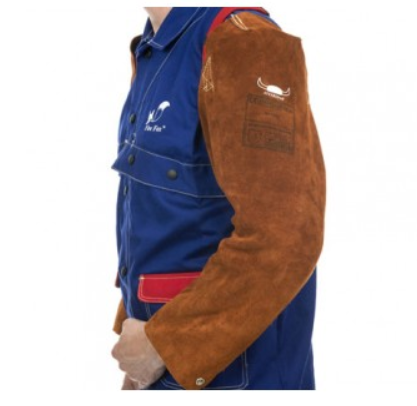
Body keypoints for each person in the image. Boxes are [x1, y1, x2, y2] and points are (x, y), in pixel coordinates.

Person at [110, 6, 326, 390]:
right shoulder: (155, 50)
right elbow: (172, 213)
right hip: (161, 363)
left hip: (238, 375)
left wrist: (165, 345)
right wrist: (137, 344)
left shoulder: (244, 41)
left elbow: (287, 237)